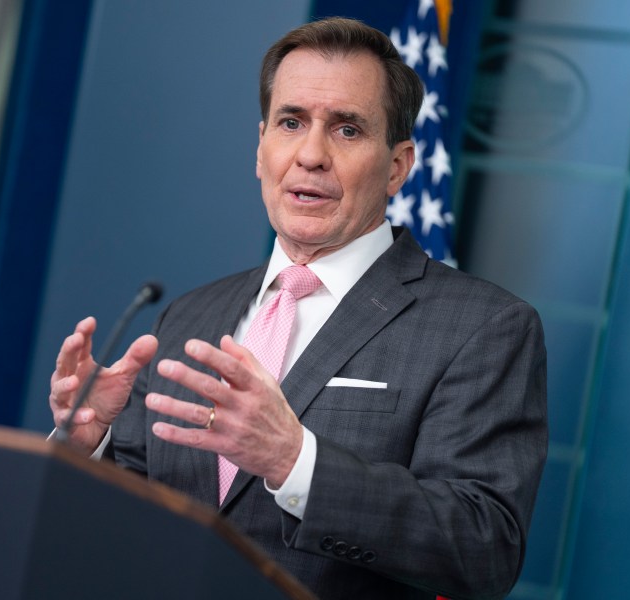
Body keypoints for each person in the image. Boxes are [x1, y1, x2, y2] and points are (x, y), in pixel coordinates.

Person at [49, 17, 547, 600]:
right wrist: (91, 449)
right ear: (261, 149)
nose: (310, 155)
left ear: (398, 167)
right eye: (291, 123)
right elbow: (136, 512)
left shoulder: (484, 328)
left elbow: (484, 547)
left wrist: (295, 460)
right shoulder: (188, 317)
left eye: (347, 130)